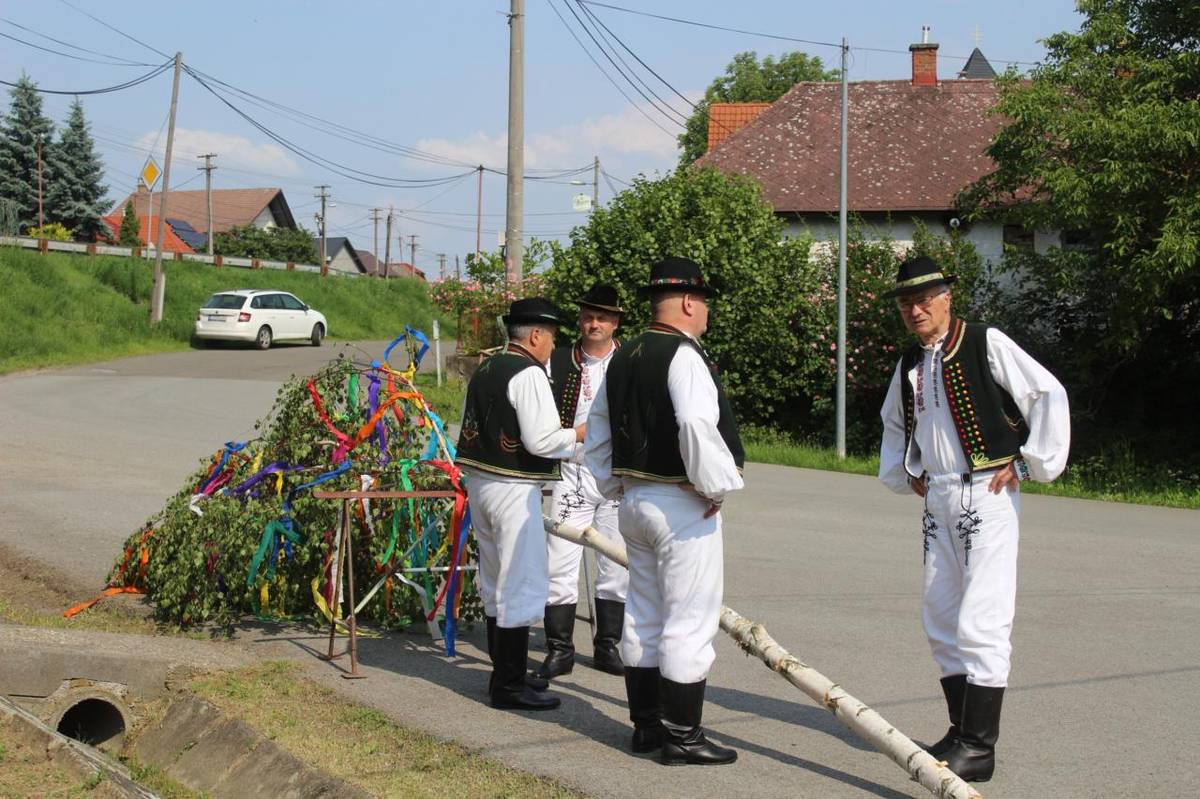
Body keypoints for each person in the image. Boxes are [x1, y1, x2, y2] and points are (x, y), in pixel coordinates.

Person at [878, 255, 1070, 782]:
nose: (915, 309)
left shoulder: (985, 341)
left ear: (947, 298)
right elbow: (894, 425)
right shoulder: (909, 365)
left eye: (924, 298)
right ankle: (961, 728)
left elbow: (1046, 393)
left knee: (981, 617)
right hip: (938, 494)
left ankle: (980, 747)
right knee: (940, 615)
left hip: (987, 489)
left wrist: (1030, 461)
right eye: (905, 302)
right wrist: (904, 471)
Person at [585, 257, 744, 765]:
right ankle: (682, 736)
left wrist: (616, 484)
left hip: (635, 501)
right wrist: (716, 486)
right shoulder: (684, 354)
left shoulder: (622, 354)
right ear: (691, 302)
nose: (707, 312)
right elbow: (697, 426)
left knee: (644, 616)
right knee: (690, 619)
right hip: (679, 505)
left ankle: (647, 727)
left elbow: (598, 430)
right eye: (706, 303)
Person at [456, 297, 584, 712]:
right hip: (513, 488)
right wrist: (579, 434)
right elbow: (542, 440)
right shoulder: (528, 373)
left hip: (482, 484)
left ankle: (503, 672)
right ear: (535, 335)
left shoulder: (488, 366)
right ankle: (508, 685)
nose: (552, 347)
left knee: (495, 581)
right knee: (520, 583)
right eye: (550, 338)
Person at [538, 283, 630, 679]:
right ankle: (560, 648)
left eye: (603, 318)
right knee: (560, 559)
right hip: (572, 471)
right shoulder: (557, 361)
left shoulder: (632, 361)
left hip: (616, 475)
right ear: (580, 319)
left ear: (615, 322)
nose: (594, 324)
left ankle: (607, 645)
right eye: (589, 316)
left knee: (616, 563)